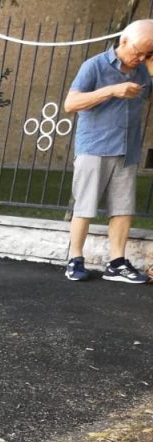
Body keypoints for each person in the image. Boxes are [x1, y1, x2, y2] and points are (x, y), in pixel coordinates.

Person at [62, 19, 153, 282]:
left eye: (148, 53)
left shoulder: (143, 70)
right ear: (123, 41)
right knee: (84, 206)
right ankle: (75, 259)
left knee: (124, 209)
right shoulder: (94, 66)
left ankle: (116, 264)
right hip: (95, 146)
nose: (141, 58)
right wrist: (112, 90)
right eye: (138, 52)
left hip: (127, 149)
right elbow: (71, 103)